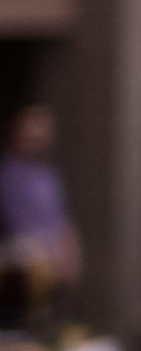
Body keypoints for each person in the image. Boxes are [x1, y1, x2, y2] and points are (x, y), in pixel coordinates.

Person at [0, 106, 79, 326]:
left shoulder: (48, 176)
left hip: (50, 261)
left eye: (43, 129)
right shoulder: (7, 173)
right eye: (31, 127)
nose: (37, 135)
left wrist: (70, 252)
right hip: (20, 261)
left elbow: (61, 218)